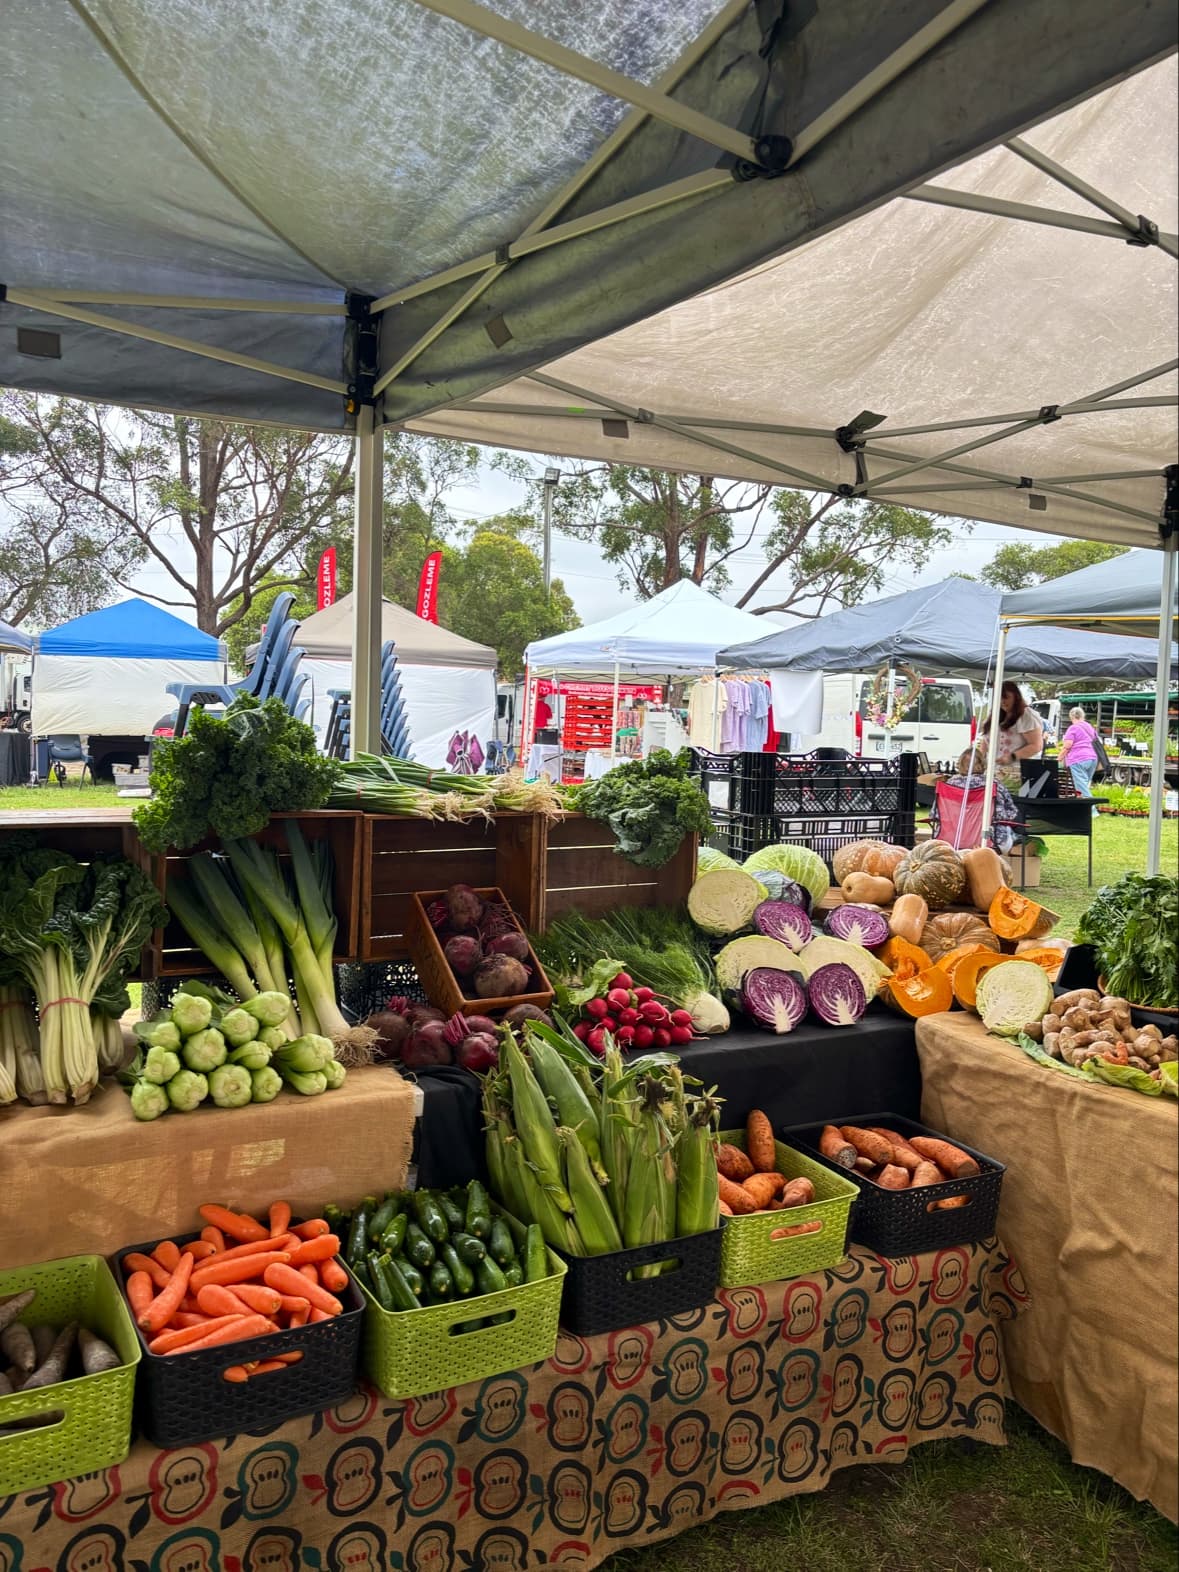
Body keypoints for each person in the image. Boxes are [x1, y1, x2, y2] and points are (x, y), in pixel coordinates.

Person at [932, 745, 1021, 852]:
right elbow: (1011, 814)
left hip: (950, 841)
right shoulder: (994, 784)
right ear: (982, 764)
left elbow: (934, 814)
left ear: (960, 764)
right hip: (989, 841)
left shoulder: (948, 785)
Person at [982, 681, 1043, 783]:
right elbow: (985, 741)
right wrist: (978, 759)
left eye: (1006, 697)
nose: (1003, 701)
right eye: (999, 698)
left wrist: (1012, 757)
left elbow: (1036, 745)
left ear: (1016, 697)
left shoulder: (1026, 715)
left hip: (1015, 774)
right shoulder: (996, 714)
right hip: (992, 772)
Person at [1058, 705, 1101, 798]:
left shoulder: (1073, 728)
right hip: (1093, 759)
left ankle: (1091, 807)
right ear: (1083, 716)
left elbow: (1067, 745)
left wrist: (1059, 757)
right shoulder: (1090, 727)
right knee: (1083, 785)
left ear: (1071, 717)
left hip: (1078, 759)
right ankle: (1079, 805)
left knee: (1081, 787)